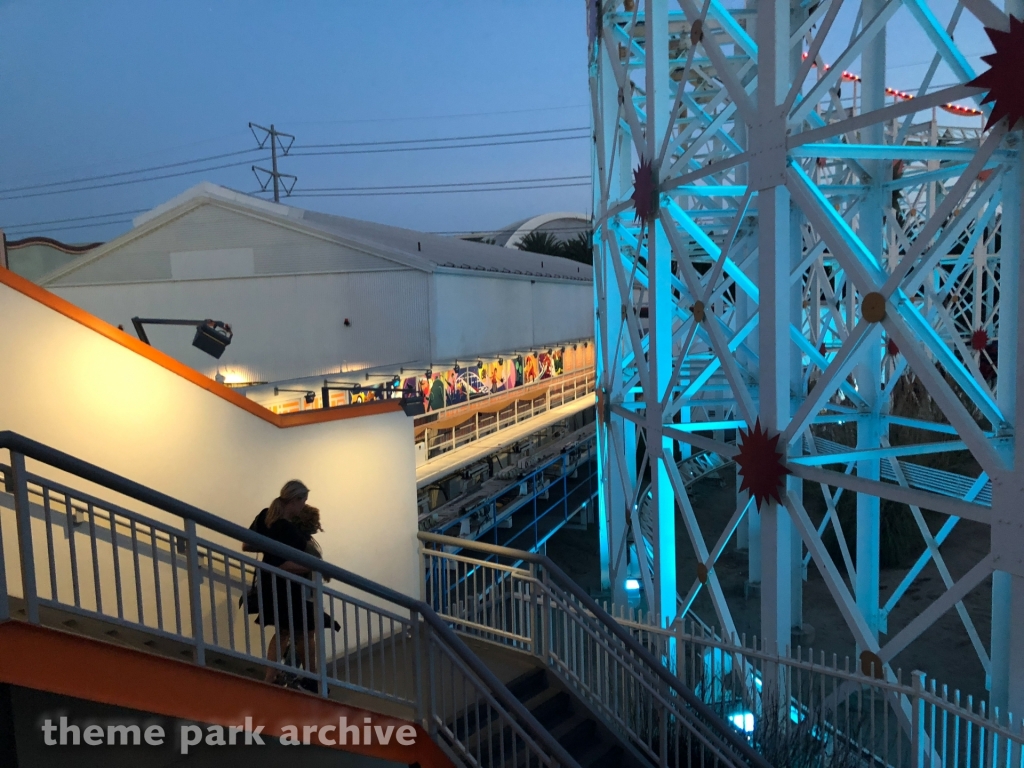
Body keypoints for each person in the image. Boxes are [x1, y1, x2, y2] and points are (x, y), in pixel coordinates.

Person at [245, 480, 322, 687]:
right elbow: (284, 565)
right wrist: (312, 567)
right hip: (288, 588)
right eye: (303, 501)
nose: (304, 506)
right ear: (295, 500)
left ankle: (271, 678)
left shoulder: (265, 516)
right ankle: (311, 679)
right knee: (305, 632)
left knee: (283, 632)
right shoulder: (288, 530)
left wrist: (270, 551)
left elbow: (247, 544)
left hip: (268, 583)